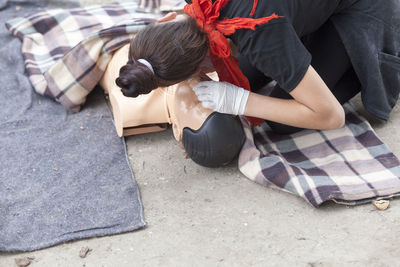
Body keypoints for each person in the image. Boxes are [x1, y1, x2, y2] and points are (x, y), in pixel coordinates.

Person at [116, 0, 400, 134]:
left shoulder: (258, 33)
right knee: (245, 75)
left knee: (280, 117)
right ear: (165, 20)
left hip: (365, 8)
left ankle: (351, 65)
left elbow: (330, 116)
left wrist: (239, 101)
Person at [101, 43, 245, 167]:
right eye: (216, 100)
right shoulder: (218, 78)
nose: (202, 88)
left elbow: (118, 57)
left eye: (197, 102)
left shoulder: (134, 103)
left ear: (177, 128)